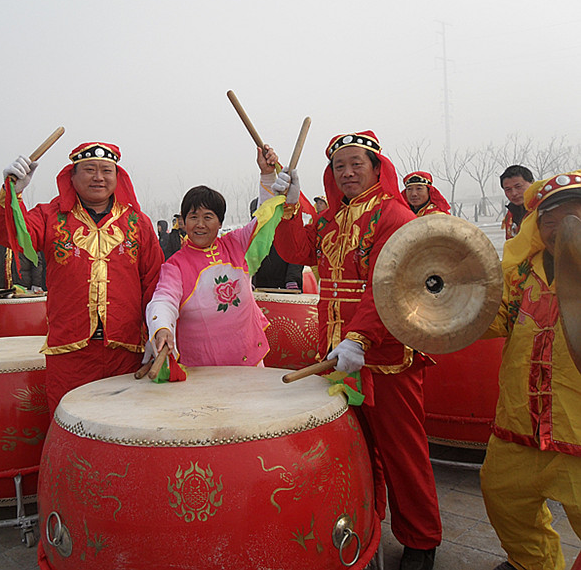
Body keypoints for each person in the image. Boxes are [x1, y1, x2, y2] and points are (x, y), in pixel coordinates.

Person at [271, 131, 442, 570]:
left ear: (375, 167)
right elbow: (295, 249)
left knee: (401, 451)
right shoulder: (330, 218)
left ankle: (421, 539)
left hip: (384, 353)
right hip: (337, 352)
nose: (347, 173)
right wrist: (291, 204)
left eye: (356, 165)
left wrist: (361, 337)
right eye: (339, 167)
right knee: (357, 448)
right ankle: (368, 522)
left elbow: (392, 286)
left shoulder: (395, 215)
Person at [0, 142, 164, 414]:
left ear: (118, 177)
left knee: (128, 422)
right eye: (89, 170)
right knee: (70, 425)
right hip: (69, 352)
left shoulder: (137, 221)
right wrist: (13, 191)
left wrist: (156, 330)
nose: (98, 177)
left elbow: (153, 280)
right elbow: (8, 234)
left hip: (127, 350)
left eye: (107, 170)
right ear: (71, 176)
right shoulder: (50, 216)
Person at [480, 170, 581, 570]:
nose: (562, 227)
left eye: (574, 215)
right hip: (518, 425)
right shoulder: (521, 274)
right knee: (504, 500)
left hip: (577, 432)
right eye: (551, 218)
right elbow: (491, 319)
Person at [146, 181, 274, 366]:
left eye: (208, 217)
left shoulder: (236, 243)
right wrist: (162, 327)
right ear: (184, 221)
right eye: (193, 217)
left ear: (220, 222)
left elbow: (264, 218)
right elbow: (164, 299)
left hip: (249, 358)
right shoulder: (176, 265)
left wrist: (267, 175)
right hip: (202, 366)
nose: (200, 224)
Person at [249, 197, 302, 290]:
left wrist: (292, 280)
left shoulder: (287, 230)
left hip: (284, 285)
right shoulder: (249, 234)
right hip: (258, 285)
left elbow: (296, 257)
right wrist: (249, 280)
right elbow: (247, 260)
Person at [499, 164, 534, 239]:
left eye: (518, 187)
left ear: (532, 183)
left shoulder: (544, 209)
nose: (514, 193)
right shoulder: (510, 214)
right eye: (508, 189)